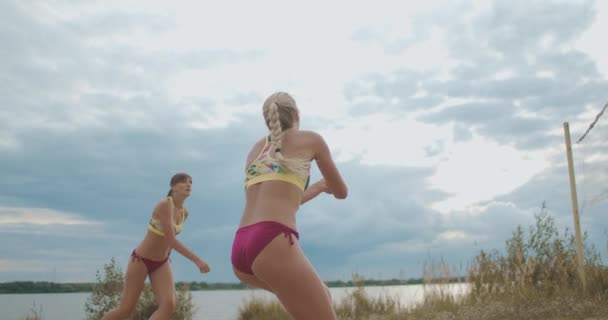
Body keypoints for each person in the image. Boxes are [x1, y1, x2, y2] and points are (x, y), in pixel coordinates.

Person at [231, 92, 348, 319]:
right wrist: (330, 184)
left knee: (321, 295)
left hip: (242, 246)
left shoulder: (255, 151)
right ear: (297, 115)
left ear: (268, 119)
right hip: (272, 241)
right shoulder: (311, 140)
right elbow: (342, 192)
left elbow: (283, 198)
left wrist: (317, 187)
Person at [102, 173, 210, 320]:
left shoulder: (185, 212)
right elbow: (171, 240)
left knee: (168, 305)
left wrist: (166, 254)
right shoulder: (165, 205)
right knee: (125, 310)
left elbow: (169, 243)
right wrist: (197, 260)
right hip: (141, 260)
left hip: (161, 263)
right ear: (173, 187)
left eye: (190, 182)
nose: (188, 184)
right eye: (183, 182)